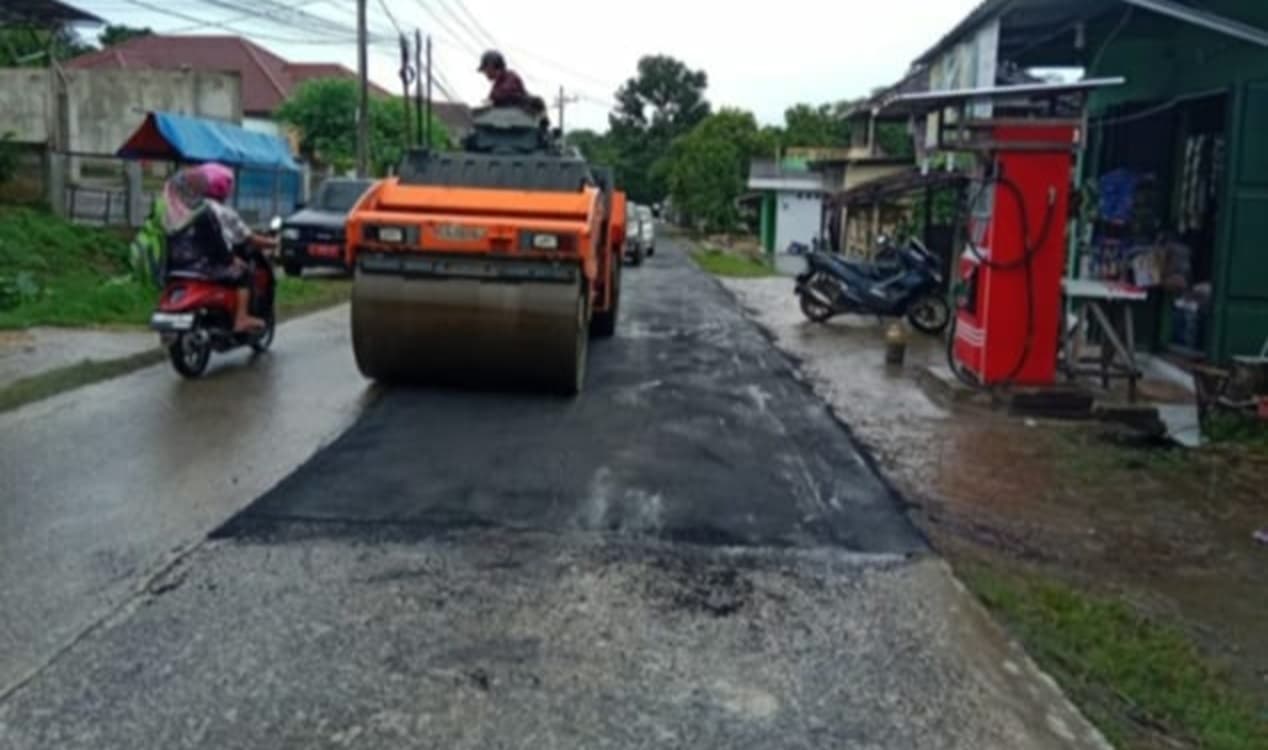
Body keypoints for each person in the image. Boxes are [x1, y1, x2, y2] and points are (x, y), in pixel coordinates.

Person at [163, 163, 275, 332]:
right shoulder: (224, 212)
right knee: (244, 274)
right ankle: (241, 318)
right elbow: (247, 238)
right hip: (210, 264)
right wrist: (276, 242)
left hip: (179, 262)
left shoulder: (187, 208)